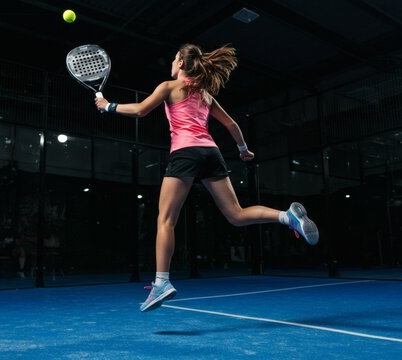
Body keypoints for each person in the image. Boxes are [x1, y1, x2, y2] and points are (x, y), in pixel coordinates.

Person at [94, 44, 319, 312]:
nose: (172, 63)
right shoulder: (205, 94)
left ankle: (162, 283)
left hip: (185, 152)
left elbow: (141, 110)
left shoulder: (168, 87)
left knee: (165, 220)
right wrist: (243, 150)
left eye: (174, 58)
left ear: (180, 64)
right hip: (211, 153)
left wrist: (108, 106)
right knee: (236, 214)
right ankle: (286, 216)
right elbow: (232, 125)